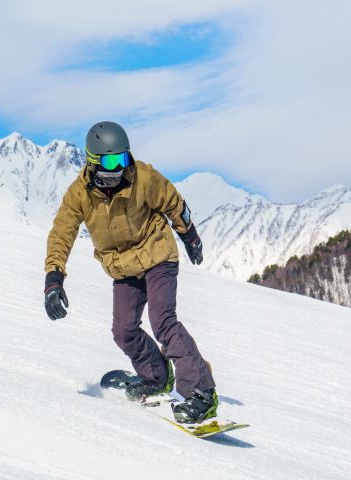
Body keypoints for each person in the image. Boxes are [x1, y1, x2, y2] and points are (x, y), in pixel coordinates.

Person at [43, 121, 217, 424]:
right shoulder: (78, 195)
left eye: (124, 158)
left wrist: (189, 236)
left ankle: (201, 392)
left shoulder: (142, 177)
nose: (121, 167)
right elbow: (61, 234)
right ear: (94, 162)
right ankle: (157, 376)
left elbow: (174, 202)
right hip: (123, 266)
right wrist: (53, 279)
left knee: (163, 322)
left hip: (157, 253)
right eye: (112, 161)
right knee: (123, 330)